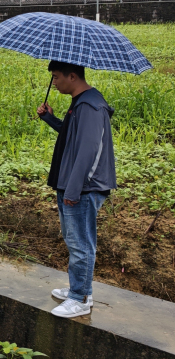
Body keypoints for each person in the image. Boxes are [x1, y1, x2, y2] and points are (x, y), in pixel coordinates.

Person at [37, 60, 115, 319]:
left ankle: (79, 299)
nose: (54, 82)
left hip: (82, 188)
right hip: (73, 184)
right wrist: (50, 119)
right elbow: (71, 136)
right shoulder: (80, 103)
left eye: (57, 77)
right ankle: (81, 289)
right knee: (75, 240)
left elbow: (89, 151)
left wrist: (74, 189)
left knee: (81, 243)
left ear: (72, 76)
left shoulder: (91, 106)